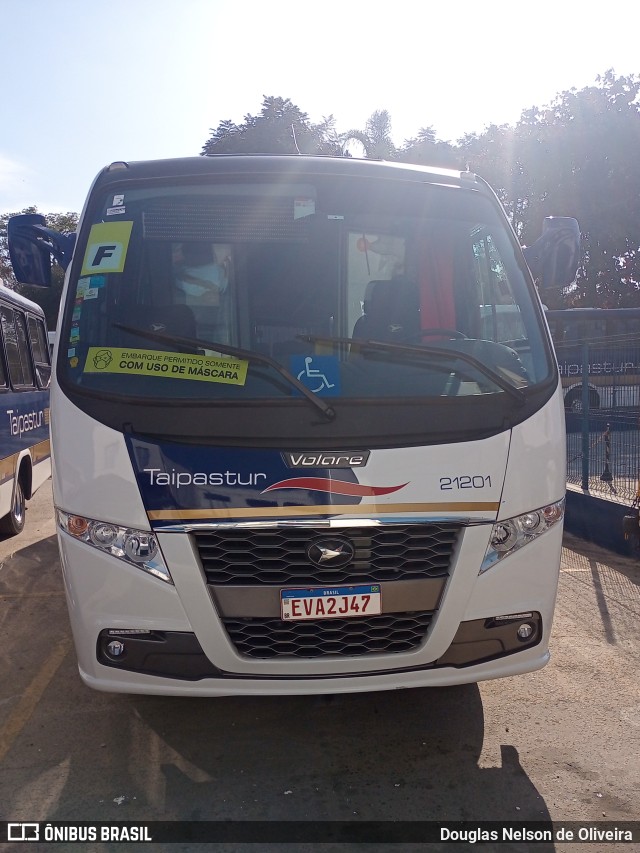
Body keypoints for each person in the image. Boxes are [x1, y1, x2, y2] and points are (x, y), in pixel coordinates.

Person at [173, 242, 228, 306]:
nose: (212, 296)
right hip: (211, 257)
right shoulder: (222, 288)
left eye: (209, 299)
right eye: (215, 299)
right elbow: (226, 273)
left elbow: (181, 277)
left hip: (192, 261)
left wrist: (204, 284)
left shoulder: (194, 291)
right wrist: (224, 260)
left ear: (202, 298)